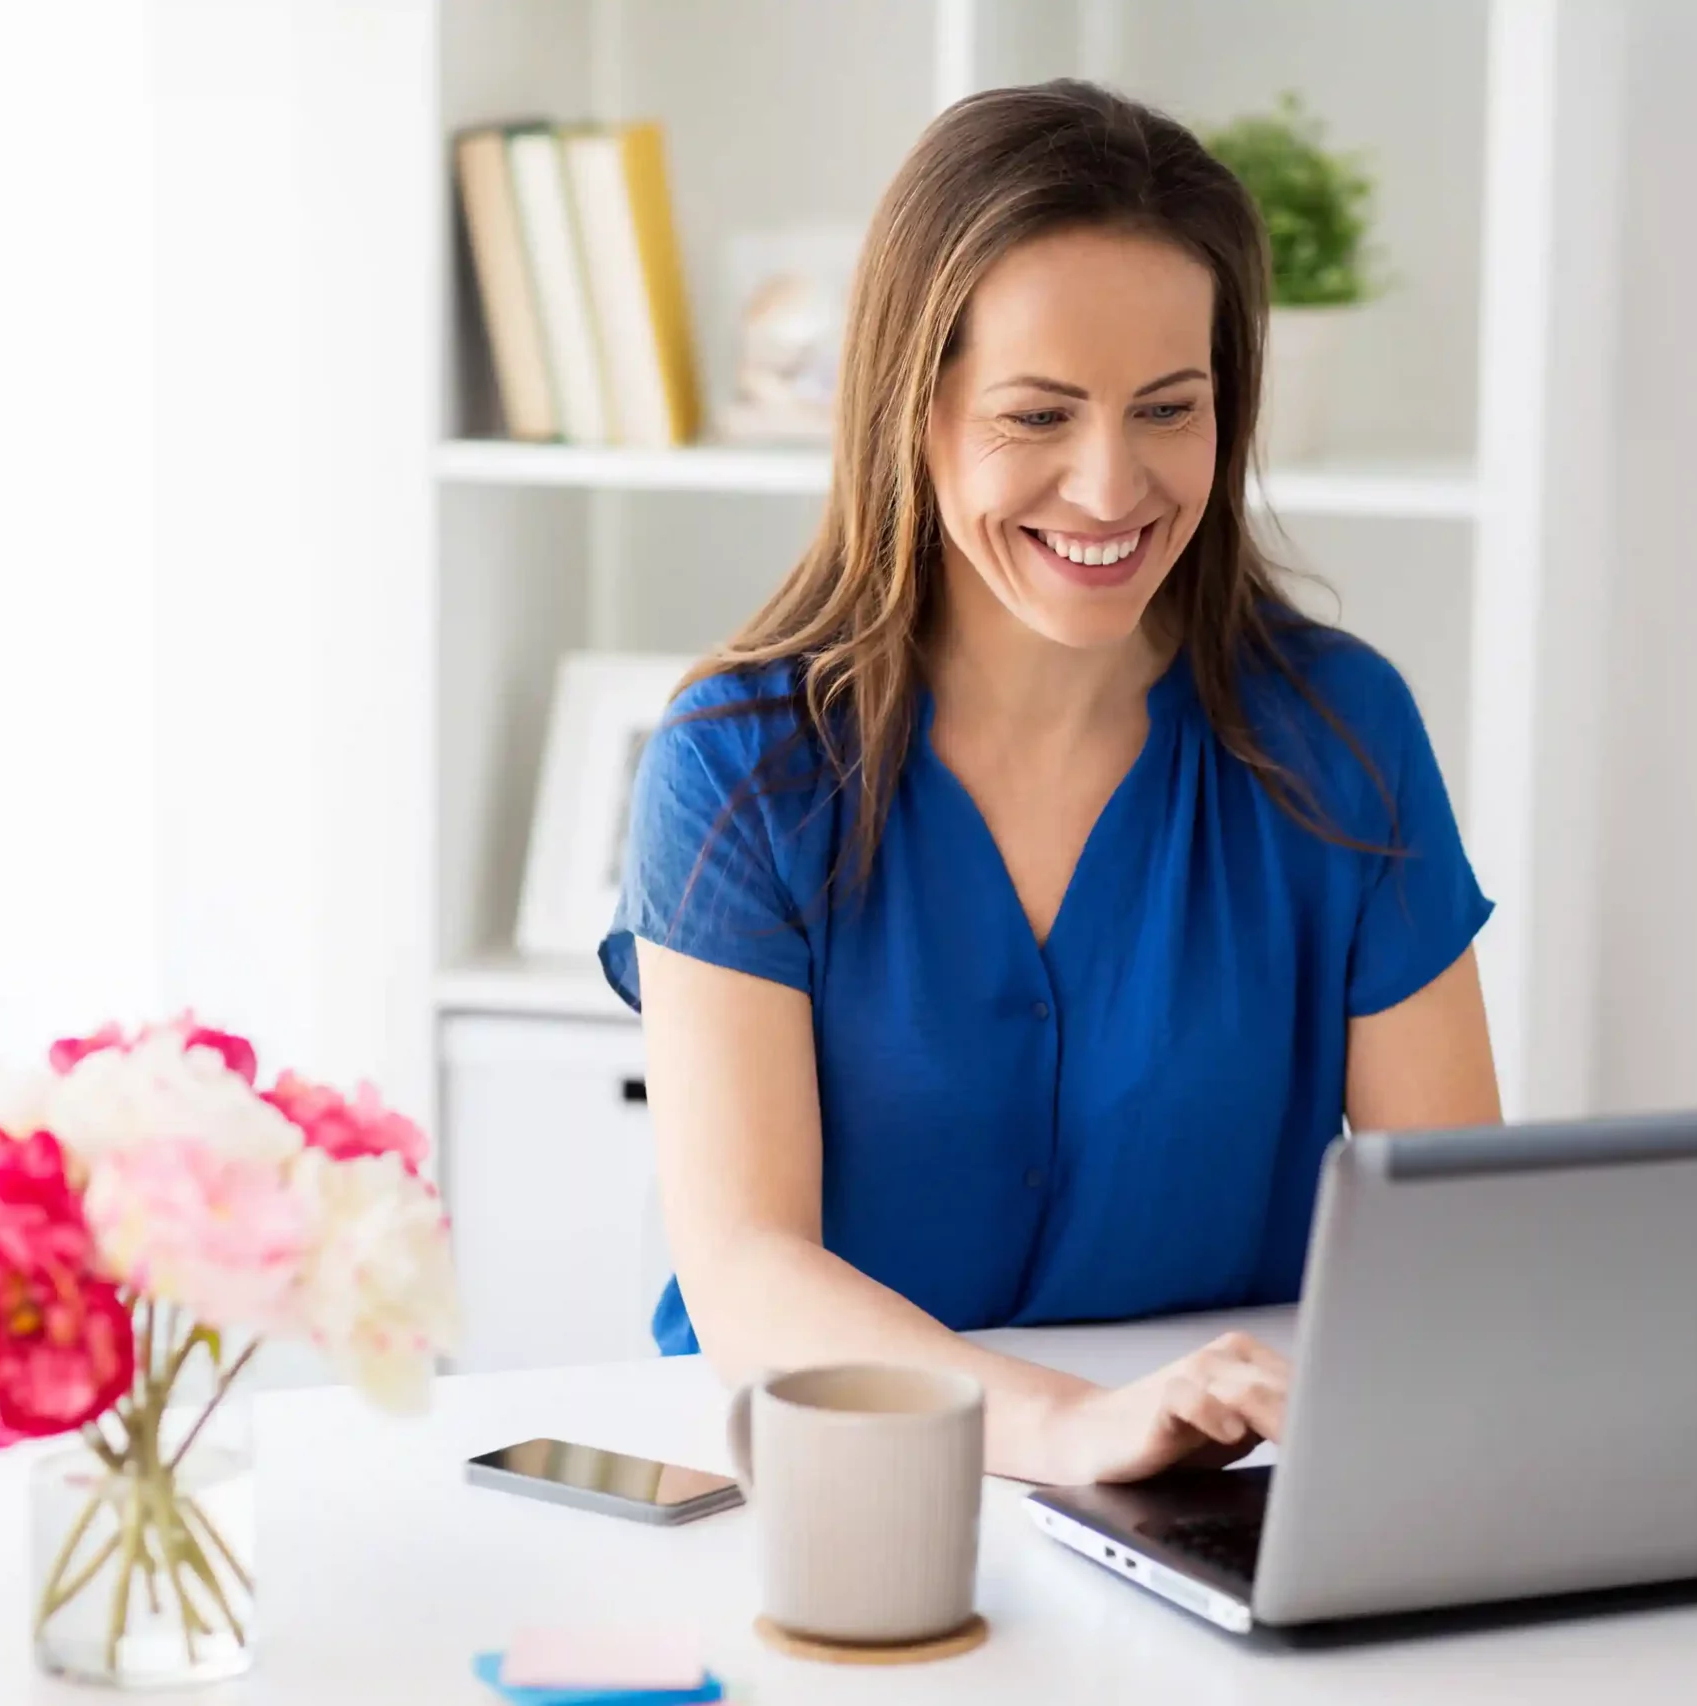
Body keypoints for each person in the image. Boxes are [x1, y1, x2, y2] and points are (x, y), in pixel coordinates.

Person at [600, 79, 1502, 1488]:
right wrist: (1070, 1428)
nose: (1110, 485)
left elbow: (1455, 1242)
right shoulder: (739, 766)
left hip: (1210, 1504)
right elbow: (746, 1271)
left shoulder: (1341, 734)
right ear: (917, 407)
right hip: (830, 1493)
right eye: (1039, 414)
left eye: (1168, 408)